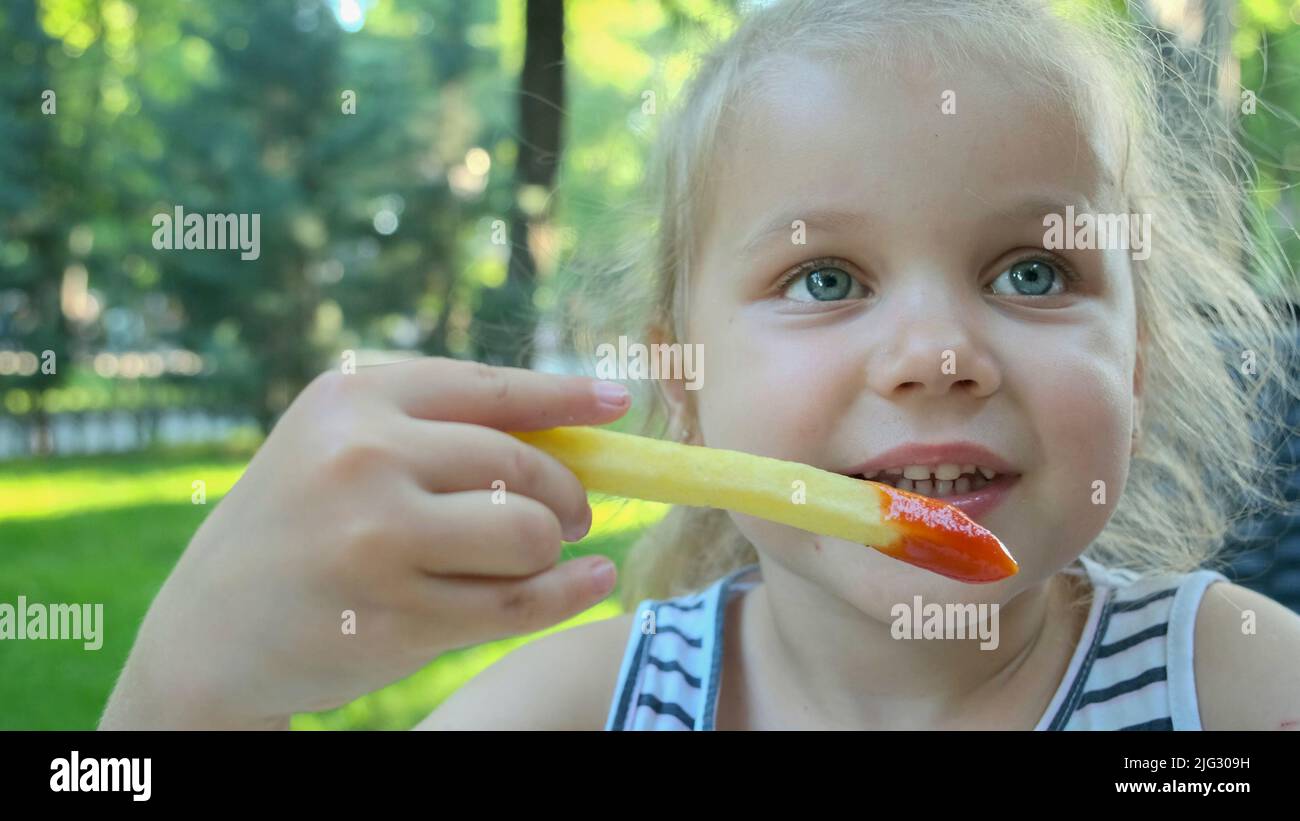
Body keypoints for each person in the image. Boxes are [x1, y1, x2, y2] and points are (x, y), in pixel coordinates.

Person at [101, 0, 1300, 731]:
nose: (940, 354)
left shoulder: (1231, 687)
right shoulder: (576, 708)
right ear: (687, 379)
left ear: (1134, 360)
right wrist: (192, 680)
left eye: (1033, 272)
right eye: (824, 277)